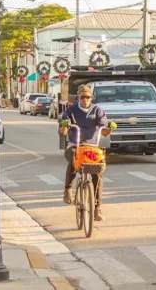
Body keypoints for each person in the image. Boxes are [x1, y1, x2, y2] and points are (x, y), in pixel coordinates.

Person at [59, 85, 110, 222]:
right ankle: (68, 190)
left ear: (91, 98)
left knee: (98, 173)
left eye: (88, 97)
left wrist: (108, 129)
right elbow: (62, 132)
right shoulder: (71, 111)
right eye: (82, 97)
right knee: (73, 160)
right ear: (78, 98)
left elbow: (104, 129)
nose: (85, 100)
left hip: (92, 147)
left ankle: (97, 208)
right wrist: (65, 126)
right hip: (75, 145)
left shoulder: (97, 110)